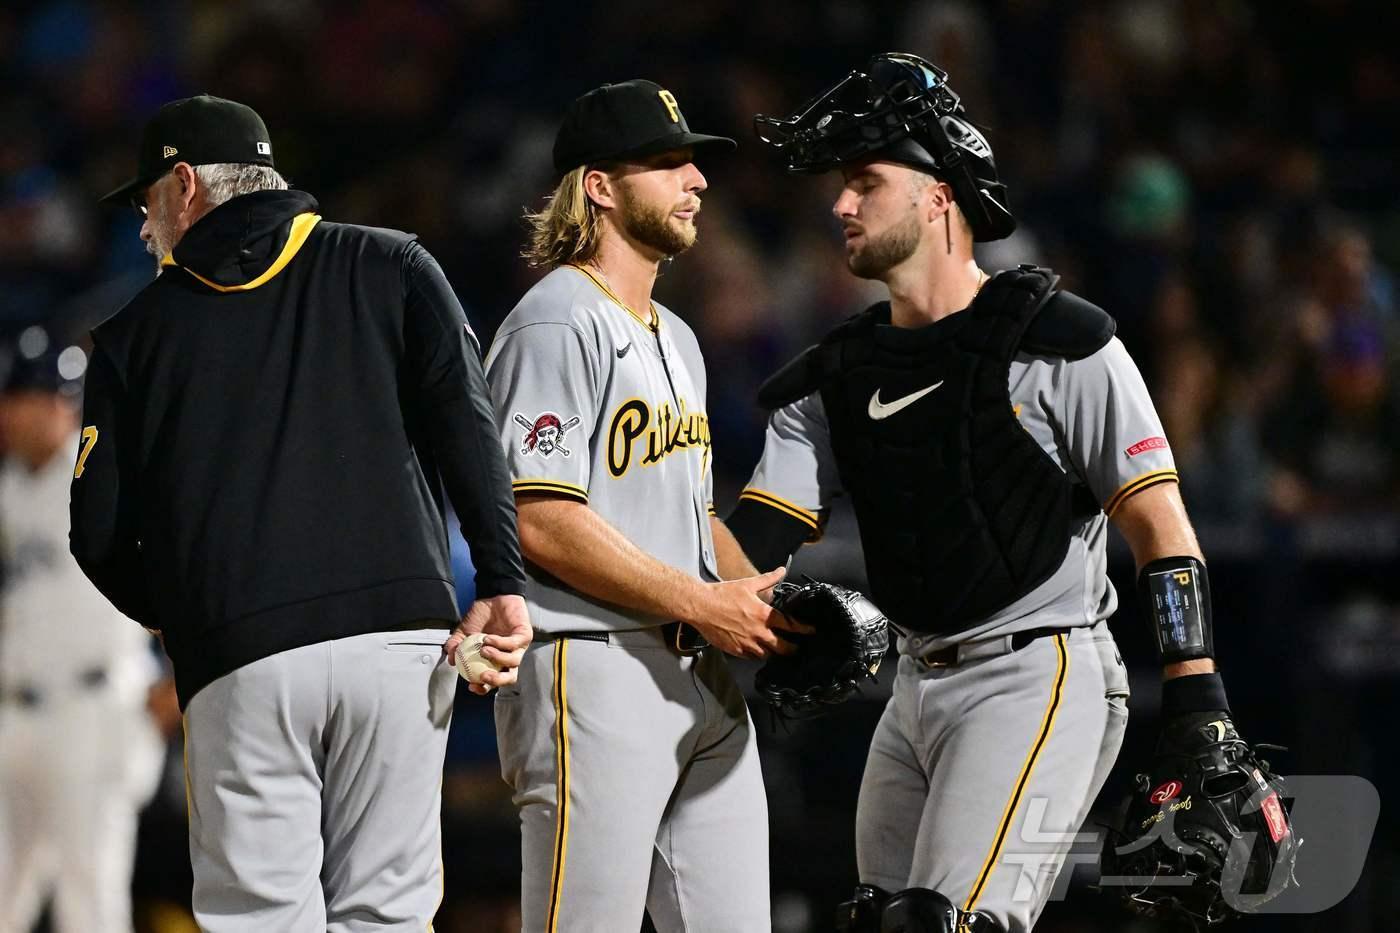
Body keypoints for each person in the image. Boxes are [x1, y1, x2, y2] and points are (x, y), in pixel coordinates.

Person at [731, 53, 1270, 932]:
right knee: (879, 917)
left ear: (939, 197)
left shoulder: (1062, 343)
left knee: (939, 921)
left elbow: (1160, 526)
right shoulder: (833, 380)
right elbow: (748, 547)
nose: (840, 205)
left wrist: (1198, 693)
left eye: (866, 181)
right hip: (913, 683)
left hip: (1038, 672)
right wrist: (660, 576)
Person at [70, 94, 531, 932]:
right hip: (398, 640)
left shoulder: (134, 334)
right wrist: (501, 579)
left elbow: (96, 533)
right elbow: (470, 427)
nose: (144, 227)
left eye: (147, 202)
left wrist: (185, 613)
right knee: (387, 913)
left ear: (185, 185)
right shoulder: (393, 263)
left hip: (242, 658)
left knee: (261, 917)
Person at [485, 79, 804, 933]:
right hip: (592, 669)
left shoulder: (678, 336)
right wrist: (702, 602)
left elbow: (691, 515)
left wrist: (775, 607)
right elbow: (539, 517)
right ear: (599, 185)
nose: (695, 179)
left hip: (698, 675)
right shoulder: (555, 320)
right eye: (665, 162)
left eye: (691, 161)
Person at [0, 331, 170, 933]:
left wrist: (180, 678)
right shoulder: (11, 484)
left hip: (94, 707)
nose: (10, 413)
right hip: (16, 712)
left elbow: (179, 568)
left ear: (60, 404)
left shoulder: (104, 469)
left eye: (24, 398)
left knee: (88, 900)